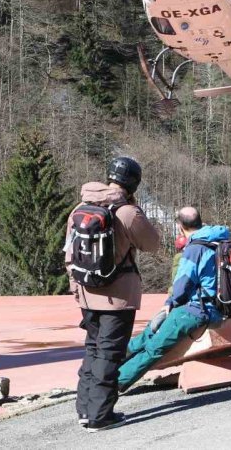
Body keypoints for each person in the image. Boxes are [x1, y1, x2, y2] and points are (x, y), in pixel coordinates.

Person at [67, 156, 159, 432]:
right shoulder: (128, 212)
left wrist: (76, 288)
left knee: (93, 348)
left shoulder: (81, 207)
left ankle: (85, 408)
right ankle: (99, 415)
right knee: (110, 353)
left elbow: (69, 251)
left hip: (86, 290)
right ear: (134, 183)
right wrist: (135, 210)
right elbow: (152, 244)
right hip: (118, 296)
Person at [117, 207, 229, 391]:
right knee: (151, 332)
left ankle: (112, 383)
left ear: (180, 226)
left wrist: (170, 303)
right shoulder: (219, 242)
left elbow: (183, 283)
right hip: (218, 307)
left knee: (155, 347)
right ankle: (111, 366)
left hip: (196, 310)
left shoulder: (195, 249)